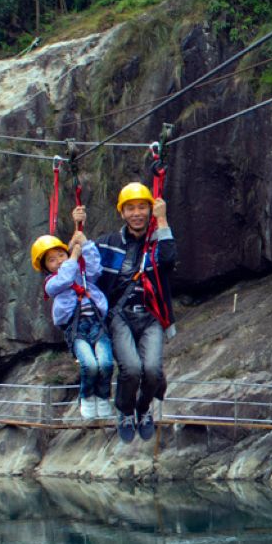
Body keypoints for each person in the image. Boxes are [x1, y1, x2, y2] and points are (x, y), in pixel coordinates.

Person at [72, 182, 176, 443]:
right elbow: (79, 263)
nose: (137, 213)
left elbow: (169, 259)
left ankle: (143, 409)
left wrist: (162, 220)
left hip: (151, 314)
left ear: (150, 210)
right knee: (130, 368)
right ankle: (126, 411)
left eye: (142, 207)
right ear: (122, 212)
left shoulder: (157, 242)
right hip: (120, 315)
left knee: (152, 370)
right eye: (131, 208)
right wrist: (77, 229)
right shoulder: (108, 243)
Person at [31, 231, 115, 421]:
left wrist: (85, 244)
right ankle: (85, 397)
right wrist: (73, 257)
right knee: (90, 365)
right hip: (76, 329)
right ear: (46, 268)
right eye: (52, 260)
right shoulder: (51, 283)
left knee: (106, 363)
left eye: (61, 255)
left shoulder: (82, 273)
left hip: (96, 323)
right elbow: (66, 279)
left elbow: (96, 268)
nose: (59, 261)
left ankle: (102, 396)